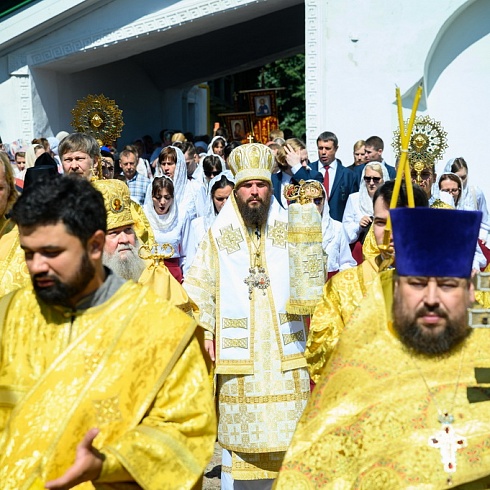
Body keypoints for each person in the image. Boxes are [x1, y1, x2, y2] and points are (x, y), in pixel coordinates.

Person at [0, 175, 216, 489]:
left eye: (52, 252)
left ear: (95, 246)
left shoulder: (162, 328)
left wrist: (107, 462)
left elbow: (185, 430)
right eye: (29, 253)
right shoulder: (11, 315)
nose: (37, 267)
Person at [275, 206, 490, 489]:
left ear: (470, 291)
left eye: (448, 285)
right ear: (397, 289)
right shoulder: (364, 369)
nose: (432, 298)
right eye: (417, 283)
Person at [184, 143, 311, 488]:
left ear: (271, 188)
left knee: (292, 441)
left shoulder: (291, 228)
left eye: (262, 185)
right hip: (239, 354)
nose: (255, 192)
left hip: (287, 352)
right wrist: (207, 333)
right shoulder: (218, 235)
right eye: (247, 186)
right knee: (241, 444)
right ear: (236, 190)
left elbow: (312, 281)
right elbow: (198, 285)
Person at [305, 180, 428, 384]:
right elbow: (320, 352)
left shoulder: (446, 284)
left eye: (399, 222)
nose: (388, 233)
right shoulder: (342, 287)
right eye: (380, 223)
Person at [184, 171, 235, 275]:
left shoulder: (244, 223)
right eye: (220, 199)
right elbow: (190, 263)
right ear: (212, 198)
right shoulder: (198, 226)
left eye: (229, 198)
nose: (225, 203)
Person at [143, 175, 191, 283]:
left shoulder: (181, 216)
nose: (163, 202)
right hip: (149, 274)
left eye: (167, 197)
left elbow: (187, 252)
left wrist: (186, 278)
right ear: (151, 197)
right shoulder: (143, 214)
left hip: (173, 275)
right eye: (158, 197)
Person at [342, 162, 390, 262]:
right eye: (367, 179)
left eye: (376, 179)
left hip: (383, 249)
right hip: (359, 251)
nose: (371, 183)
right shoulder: (354, 199)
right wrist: (359, 225)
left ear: (383, 179)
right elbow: (346, 233)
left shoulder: (389, 200)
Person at [308, 131, 359, 221]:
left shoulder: (349, 176)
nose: (323, 152)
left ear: (336, 148)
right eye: (320, 148)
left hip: (339, 226)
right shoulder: (309, 171)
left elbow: (353, 206)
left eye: (328, 148)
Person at [444, 157, 490, 247]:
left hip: (472, 245)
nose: (460, 181)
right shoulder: (441, 195)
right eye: (457, 177)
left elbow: (485, 220)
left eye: (463, 177)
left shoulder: (475, 193)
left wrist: (482, 237)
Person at [272, 138, 323, 209]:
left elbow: (311, 192)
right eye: (301, 161)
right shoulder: (272, 180)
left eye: (306, 160)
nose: (305, 164)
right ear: (287, 159)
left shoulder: (315, 176)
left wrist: (297, 167)